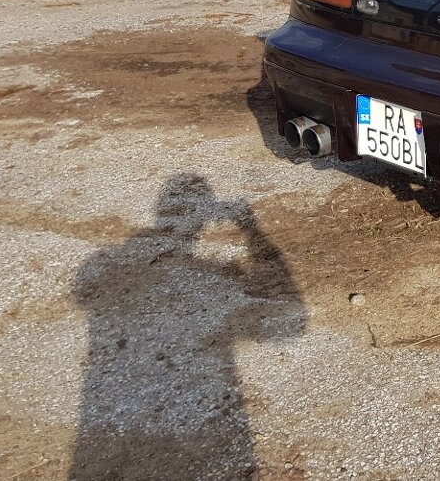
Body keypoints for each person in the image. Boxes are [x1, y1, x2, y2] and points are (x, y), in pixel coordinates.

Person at [70, 174, 305, 480]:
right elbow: (289, 325)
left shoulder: (103, 264)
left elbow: (84, 294)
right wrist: (250, 229)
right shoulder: (202, 274)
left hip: (109, 411)